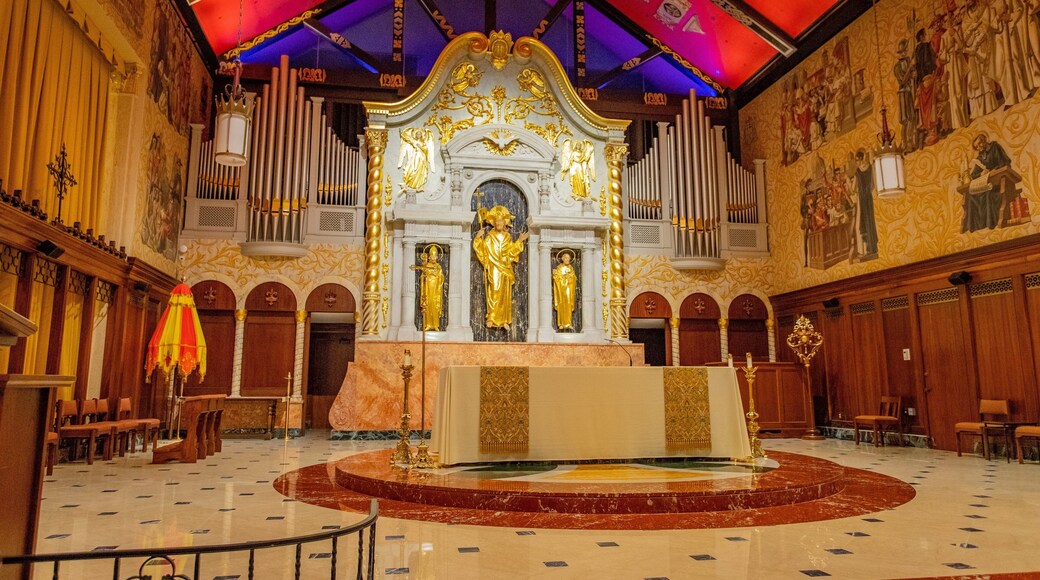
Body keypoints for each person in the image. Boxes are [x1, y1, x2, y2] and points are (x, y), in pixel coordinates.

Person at [473, 205, 529, 329]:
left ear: (505, 223)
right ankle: (491, 317)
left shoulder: (507, 237)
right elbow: (483, 250)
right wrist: (478, 238)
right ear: (494, 223)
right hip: (493, 268)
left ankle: (505, 319)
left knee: (505, 294)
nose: (498, 223)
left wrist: (519, 241)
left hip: (505, 268)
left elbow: (511, 252)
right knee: (494, 291)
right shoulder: (489, 237)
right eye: (497, 221)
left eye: (501, 221)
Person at [411, 244, 444, 331]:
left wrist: (436, 276)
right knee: (427, 305)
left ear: (437, 257)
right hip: (428, 288)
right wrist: (424, 276)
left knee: (435, 305)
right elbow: (422, 277)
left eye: (435, 256)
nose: (434, 258)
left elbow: (441, 278)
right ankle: (428, 324)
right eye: (432, 256)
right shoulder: (426, 266)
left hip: (436, 289)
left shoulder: (438, 267)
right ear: (429, 257)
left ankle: (436, 325)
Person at [552, 250, 577, 330]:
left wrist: (569, 278)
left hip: (569, 290)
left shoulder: (571, 268)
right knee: (561, 305)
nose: (567, 259)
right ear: (562, 259)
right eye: (565, 258)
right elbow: (557, 278)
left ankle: (569, 323)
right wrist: (557, 275)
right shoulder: (559, 267)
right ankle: (561, 323)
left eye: (568, 258)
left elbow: (573, 278)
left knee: (569, 305)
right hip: (561, 290)